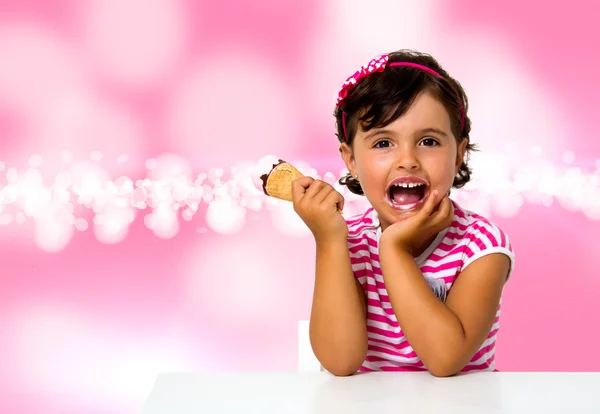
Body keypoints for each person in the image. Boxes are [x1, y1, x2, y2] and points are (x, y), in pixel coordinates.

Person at [291, 50, 515, 377]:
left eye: (428, 141)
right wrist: (328, 241)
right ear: (351, 159)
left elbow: (446, 359)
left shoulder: (480, 246)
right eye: (383, 143)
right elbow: (340, 362)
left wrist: (393, 249)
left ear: (458, 155)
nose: (407, 160)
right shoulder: (347, 240)